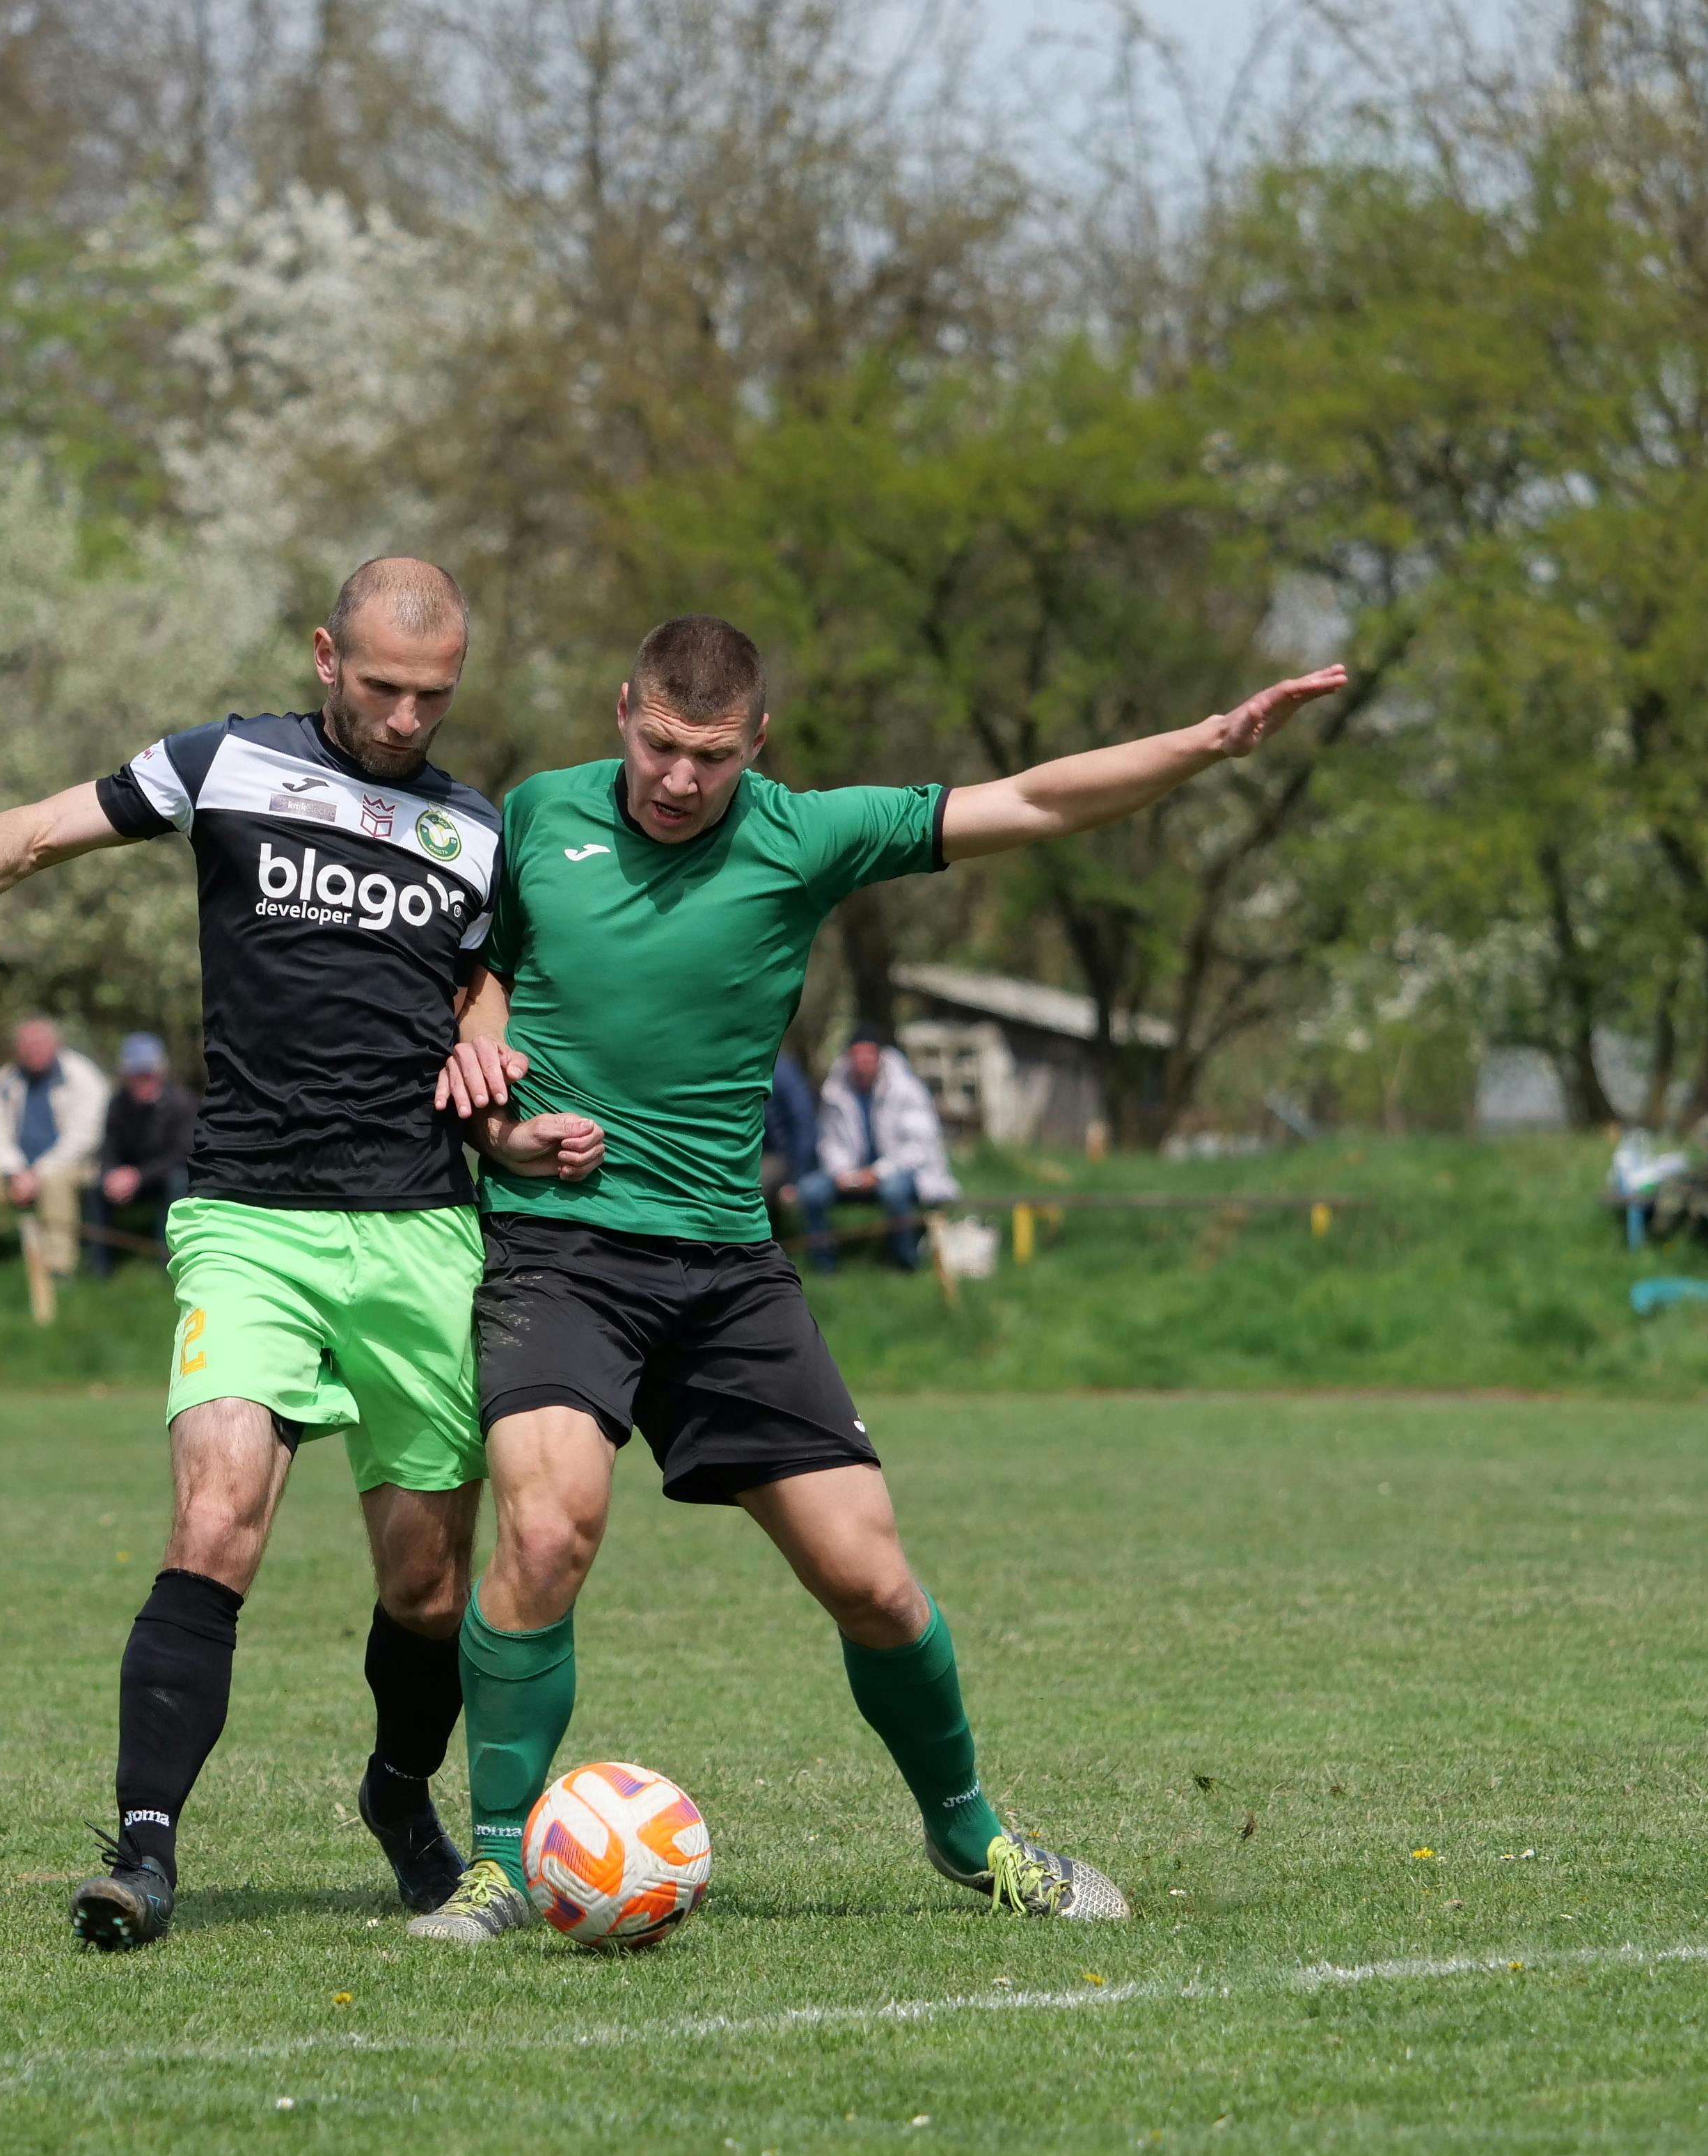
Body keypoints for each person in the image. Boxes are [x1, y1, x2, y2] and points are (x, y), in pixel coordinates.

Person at [416, 614, 1350, 1942]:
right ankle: (503, 1863)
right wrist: (495, 1092)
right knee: (549, 1527)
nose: (680, 779)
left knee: (869, 1581)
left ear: (759, 746)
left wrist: (1205, 742)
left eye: (713, 756)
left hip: (726, 1263)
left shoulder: (803, 835)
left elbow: (1028, 798)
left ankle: (969, 1836)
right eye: (660, 745)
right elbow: (486, 974)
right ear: (621, 709)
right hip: (558, 1243)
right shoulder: (536, 815)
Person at [0, 556, 600, 1951]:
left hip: (418, 1227)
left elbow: (491, 990)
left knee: (426, 1586)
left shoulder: (478, 832)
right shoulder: (222, 765)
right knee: (214, 1521)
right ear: (325, 656)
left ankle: (399, 1793)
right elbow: (42, 832)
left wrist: (496, 1073)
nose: (409, 717)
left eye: (436, 694)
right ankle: (145, 1852)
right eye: (384, 686)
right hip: (249, 1221)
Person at [798, 1025, 958, 1273]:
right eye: (857, 1055)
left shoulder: (906, 1089)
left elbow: (919, 1148)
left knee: (894, 1191)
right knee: (810, 1191)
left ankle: (904, 1263)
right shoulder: (835, 1091)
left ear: (879, 1057)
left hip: (898, 1173)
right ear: (849, 1057)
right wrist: (841, 1171)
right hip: (850, 1175)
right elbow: (829, 1141)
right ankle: (825, 1266)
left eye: (868, 1055)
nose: (863, 1062)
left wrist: (878, 1173)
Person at [0, 1015, 106, 1282]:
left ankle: (59, 1267)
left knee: (55, 1183)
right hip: (17, 1173)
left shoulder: (82, 1075)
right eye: (26, 1045)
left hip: (74, 1166)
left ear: (56, 1044)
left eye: (39, 1043)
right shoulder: (5, 1080)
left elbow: (84, 1138)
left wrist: (37, 1173)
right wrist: (15, 1172)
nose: (32, 1050)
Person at [90, 1034, 196, 1275]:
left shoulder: (182, 1102)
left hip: (165, 1175)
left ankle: (167, 1258)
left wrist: (139, 1175)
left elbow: (182, 1154)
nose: (141, 1080)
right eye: (135, 1074)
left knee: (178, 1181)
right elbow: (109, 1147)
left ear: (161, 1072)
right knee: (95, 1188)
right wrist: (110, 1175)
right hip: (132, 1177)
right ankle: (99, 1266)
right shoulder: (118, 1104)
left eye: (147, 1073)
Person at [759, 1047, 819, 1234]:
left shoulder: (783, 1070)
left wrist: (796, 1177)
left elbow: (804, 1125)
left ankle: (759, 1250)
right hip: (747, 1154)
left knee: (756, 1184)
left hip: (779, 1157)